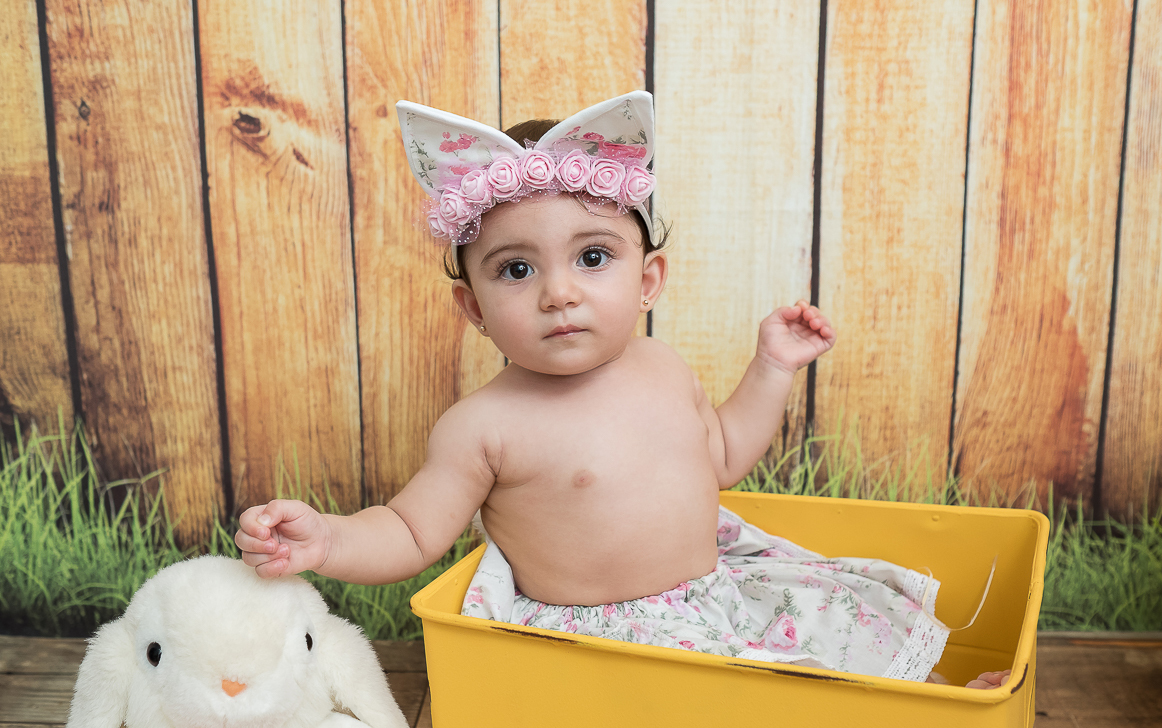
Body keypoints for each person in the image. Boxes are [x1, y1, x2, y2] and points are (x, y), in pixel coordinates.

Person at [236, 92, 1008, 689]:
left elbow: (724, 459)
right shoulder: (483, 428)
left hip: (714, 598)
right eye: (516, 269)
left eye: (593, 257)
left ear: (648, 281)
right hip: (601, 644)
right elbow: (410, 532)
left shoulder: (664, 367)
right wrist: (329, 540)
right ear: (472, 307)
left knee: (827, 645)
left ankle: (938, 702)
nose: (559, 294)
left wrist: (771, 366)